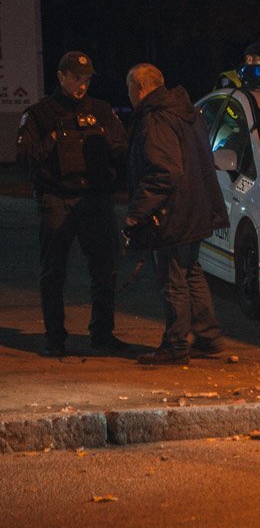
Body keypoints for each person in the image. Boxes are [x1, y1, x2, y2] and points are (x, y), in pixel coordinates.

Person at [15, 51, 130, 357]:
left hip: (94, 199)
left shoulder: (102, 110)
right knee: (54, 272)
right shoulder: (40, 113)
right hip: (57, 199)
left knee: (105, 270)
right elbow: (24, 158)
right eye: (76, 78)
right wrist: (54, 138)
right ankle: (55, 338)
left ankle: (102, 334)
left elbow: (122, 150)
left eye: (87, 79)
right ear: (61, 76)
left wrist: (107, 147)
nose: (82, 84)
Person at [124, 63, 230, 365]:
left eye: (130, 89)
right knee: (191, 272)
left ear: (139, 88)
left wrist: (136, 213)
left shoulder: (155, 118)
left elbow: (164, 172)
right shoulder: (185, 111)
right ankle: (208, 338)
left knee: (172, 280)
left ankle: (175, 345)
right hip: (195, 210)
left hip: (171, 214)